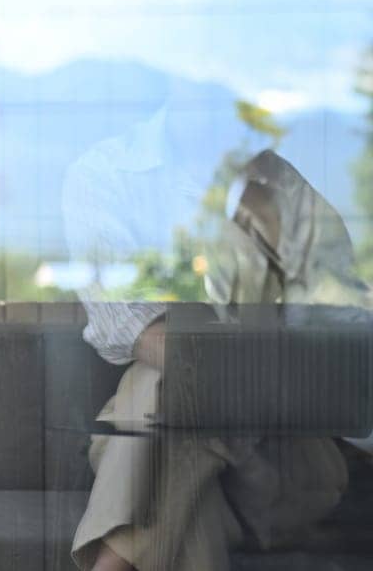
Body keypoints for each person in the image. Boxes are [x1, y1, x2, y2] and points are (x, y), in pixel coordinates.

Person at [62, 102, 355, 571]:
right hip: (156, 443)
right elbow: (125, 322)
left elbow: (338, 320)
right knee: (179, 415)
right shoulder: (109, 172)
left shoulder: (284, 189)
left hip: (278, 455)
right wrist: (228, 378)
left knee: (169, 396)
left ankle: (110, 564)